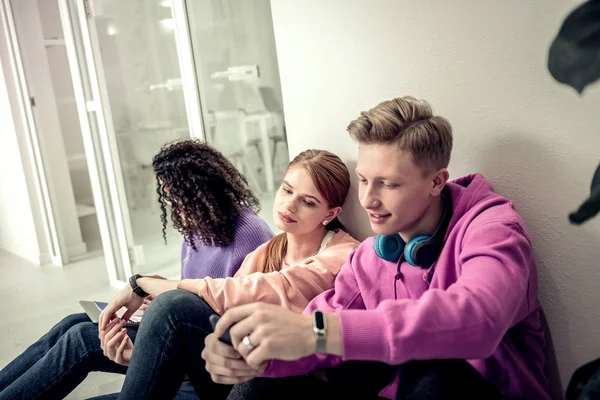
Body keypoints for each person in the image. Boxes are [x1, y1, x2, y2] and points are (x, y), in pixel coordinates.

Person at [204, 96, 552, 399]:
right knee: (263, 387)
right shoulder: (370, 255)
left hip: (468, 390)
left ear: (436, 181)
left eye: (388, 184)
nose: (368, 200)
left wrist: (320, 333)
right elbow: (315, 330)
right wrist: (254, 355)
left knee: (436, 372)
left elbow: (479, 319)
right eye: (365, 181)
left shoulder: (492, 227)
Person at [0, 139, 274, 400]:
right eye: (167, 199)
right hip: (186, 332)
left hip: (208, 356)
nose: (174, 209)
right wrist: (157, 302)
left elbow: (235, 318)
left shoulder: (250, 235)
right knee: (74, 322)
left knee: (82, 339)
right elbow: (193, 292)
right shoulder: (198, 228)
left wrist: (161, 325)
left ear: (203, 192)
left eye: (178, 199)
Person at [107, 149, 360, 399]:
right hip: (241, 370)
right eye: (287, 190)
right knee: (87, 337)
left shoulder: (344, 255)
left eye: (308, 202)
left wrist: (141, 283)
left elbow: (252, 291)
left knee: (173, 306)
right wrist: (143, 357)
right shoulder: (265, 252)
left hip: (294, 382)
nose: (289, 205)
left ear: (331, 213)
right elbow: (221, 325)